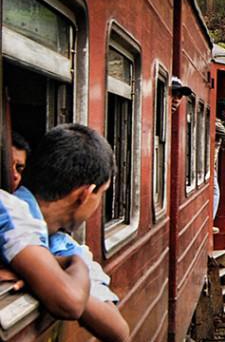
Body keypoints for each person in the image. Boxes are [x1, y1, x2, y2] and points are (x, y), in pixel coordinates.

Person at [1, 124, 129, 342]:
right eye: (101, 194)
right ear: (85, 194)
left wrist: (43, 275)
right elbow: (69, 302)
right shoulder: (8, 210)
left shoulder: (63, 244)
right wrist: (70, 266)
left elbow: (119, 331)